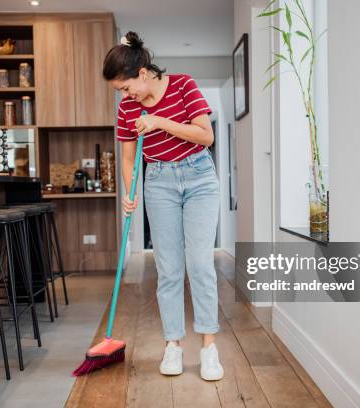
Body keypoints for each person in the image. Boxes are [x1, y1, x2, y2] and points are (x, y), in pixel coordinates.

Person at [102, 31, 223, 381]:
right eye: (120, 92)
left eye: (126, 88)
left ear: (142, 73)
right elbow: (127, 157)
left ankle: (209, 348)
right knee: (168, 268)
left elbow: (205, 135)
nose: (126, 96)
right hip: (158, 182)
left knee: (200, 264)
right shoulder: (127, 109)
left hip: (199, 176)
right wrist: (130, 191)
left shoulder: (184, 86)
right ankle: (173, 345)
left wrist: (157, 122)